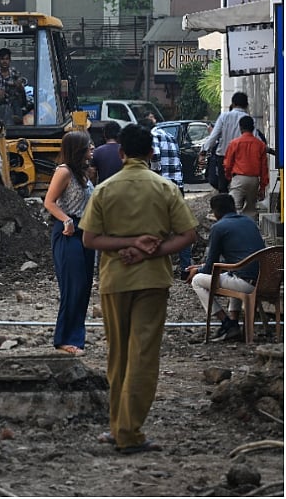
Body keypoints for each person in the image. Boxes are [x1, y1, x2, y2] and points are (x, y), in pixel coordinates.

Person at [80, 124, 197, 455]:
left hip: (115, 281)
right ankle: (129, 433)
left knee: (117, 356)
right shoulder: (165, 188)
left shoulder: (104, 189)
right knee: (143, 356)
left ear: (120, 153)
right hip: (153, 281)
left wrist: (127, 245)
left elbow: (90, 239)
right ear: (150, 153)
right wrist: (150, 249)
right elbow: (188, 234)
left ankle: (118, 427)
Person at [42, 131, 96, 356]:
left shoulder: (82, 173)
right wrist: (65, 220)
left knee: (83, 287)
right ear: (78, 149)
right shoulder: (63, 171)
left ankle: (77, 336)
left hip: (85, 231)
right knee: (72, 287)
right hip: (68, 232)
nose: (92, 149)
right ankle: (65, 339)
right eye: (88, 146)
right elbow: (49, 201)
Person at [185, 193, 266, 341]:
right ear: (233, 207)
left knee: (197, 280)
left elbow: (210, 267)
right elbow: (240, 258)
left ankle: (226, 323)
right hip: (263, 281)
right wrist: (202, 266)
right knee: (234, 273)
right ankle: (234, 323)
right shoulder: (249, 222)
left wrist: (197, 270)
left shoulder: (219, 227)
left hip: (245, 283)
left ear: (215, 212)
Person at [144, 119, 192, 277]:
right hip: (177, 186)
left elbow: (155, 156)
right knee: (181, 228)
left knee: (158, 227)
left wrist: (153, 173)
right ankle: (186, 268)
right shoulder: (170, 137)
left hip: (162, 188)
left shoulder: (151, 136)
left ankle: (160, 268)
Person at [201, 92, 251, 192]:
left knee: (223, 187)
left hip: (223, 157)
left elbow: (213, 137)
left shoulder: (224, 117)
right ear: (246, 105)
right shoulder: (248, 119)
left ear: (233, 104)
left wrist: (203, 151)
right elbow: (255, 138)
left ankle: (224, 205)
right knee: (240, 187)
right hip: (242, 158)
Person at [223, 115, 268, 219]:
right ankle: (249, 230)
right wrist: (262, 186)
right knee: (251, 209)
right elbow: (264, 167)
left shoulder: (234, 143)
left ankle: (235, 230)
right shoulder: (260, 144)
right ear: (253, 128)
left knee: (234, 207)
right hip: (254, 180)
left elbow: (228, 163)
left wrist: (229, 176)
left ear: (240, 128)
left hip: (239, 178)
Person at [0, 48, 27, 126]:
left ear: (10, 60)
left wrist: (19, 86)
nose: (4, 61)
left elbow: (22, 91)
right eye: (2, 59)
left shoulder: (15, 73)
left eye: (7, 59)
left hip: (13, 105)